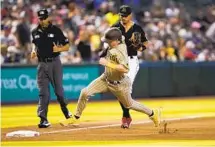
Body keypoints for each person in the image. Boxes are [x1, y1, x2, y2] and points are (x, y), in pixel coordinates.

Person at [60, 27, 159, 128]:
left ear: (116, 41)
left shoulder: (120, 51)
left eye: (109, 41)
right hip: (105, 79)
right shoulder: (119, 40)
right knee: (85, 92)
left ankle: (152, 113)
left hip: (120, 84)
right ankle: (75, 117)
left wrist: (107, 63)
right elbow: (123, 36)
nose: (107, 42)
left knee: (129, 105)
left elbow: (125, 69)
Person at [100, 5, 149, 128]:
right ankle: (126, 115)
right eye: (121, 15)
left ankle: (126, 117)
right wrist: (103, 54)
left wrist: (139, 46)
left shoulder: (137, 28)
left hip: (131, 61)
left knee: (125, 88)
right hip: (118, 61)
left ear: (130, 15)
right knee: (120, 89)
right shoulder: (116, 27)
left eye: (125, 15)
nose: (123, 17)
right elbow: (107, 43)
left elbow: (145, 43)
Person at [31, 9, 72, 128]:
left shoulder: (56, 30)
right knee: (43, 93)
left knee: (59, 92)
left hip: (55, 63)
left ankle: (65, 110)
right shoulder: (34, 32)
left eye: (44, 18)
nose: (42, 20)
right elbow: (35, 44)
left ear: (48, 18)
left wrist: (59, 49)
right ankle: (43, 119)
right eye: (40, 18)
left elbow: (67, 46)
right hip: (41, 64)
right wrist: (33, 51)